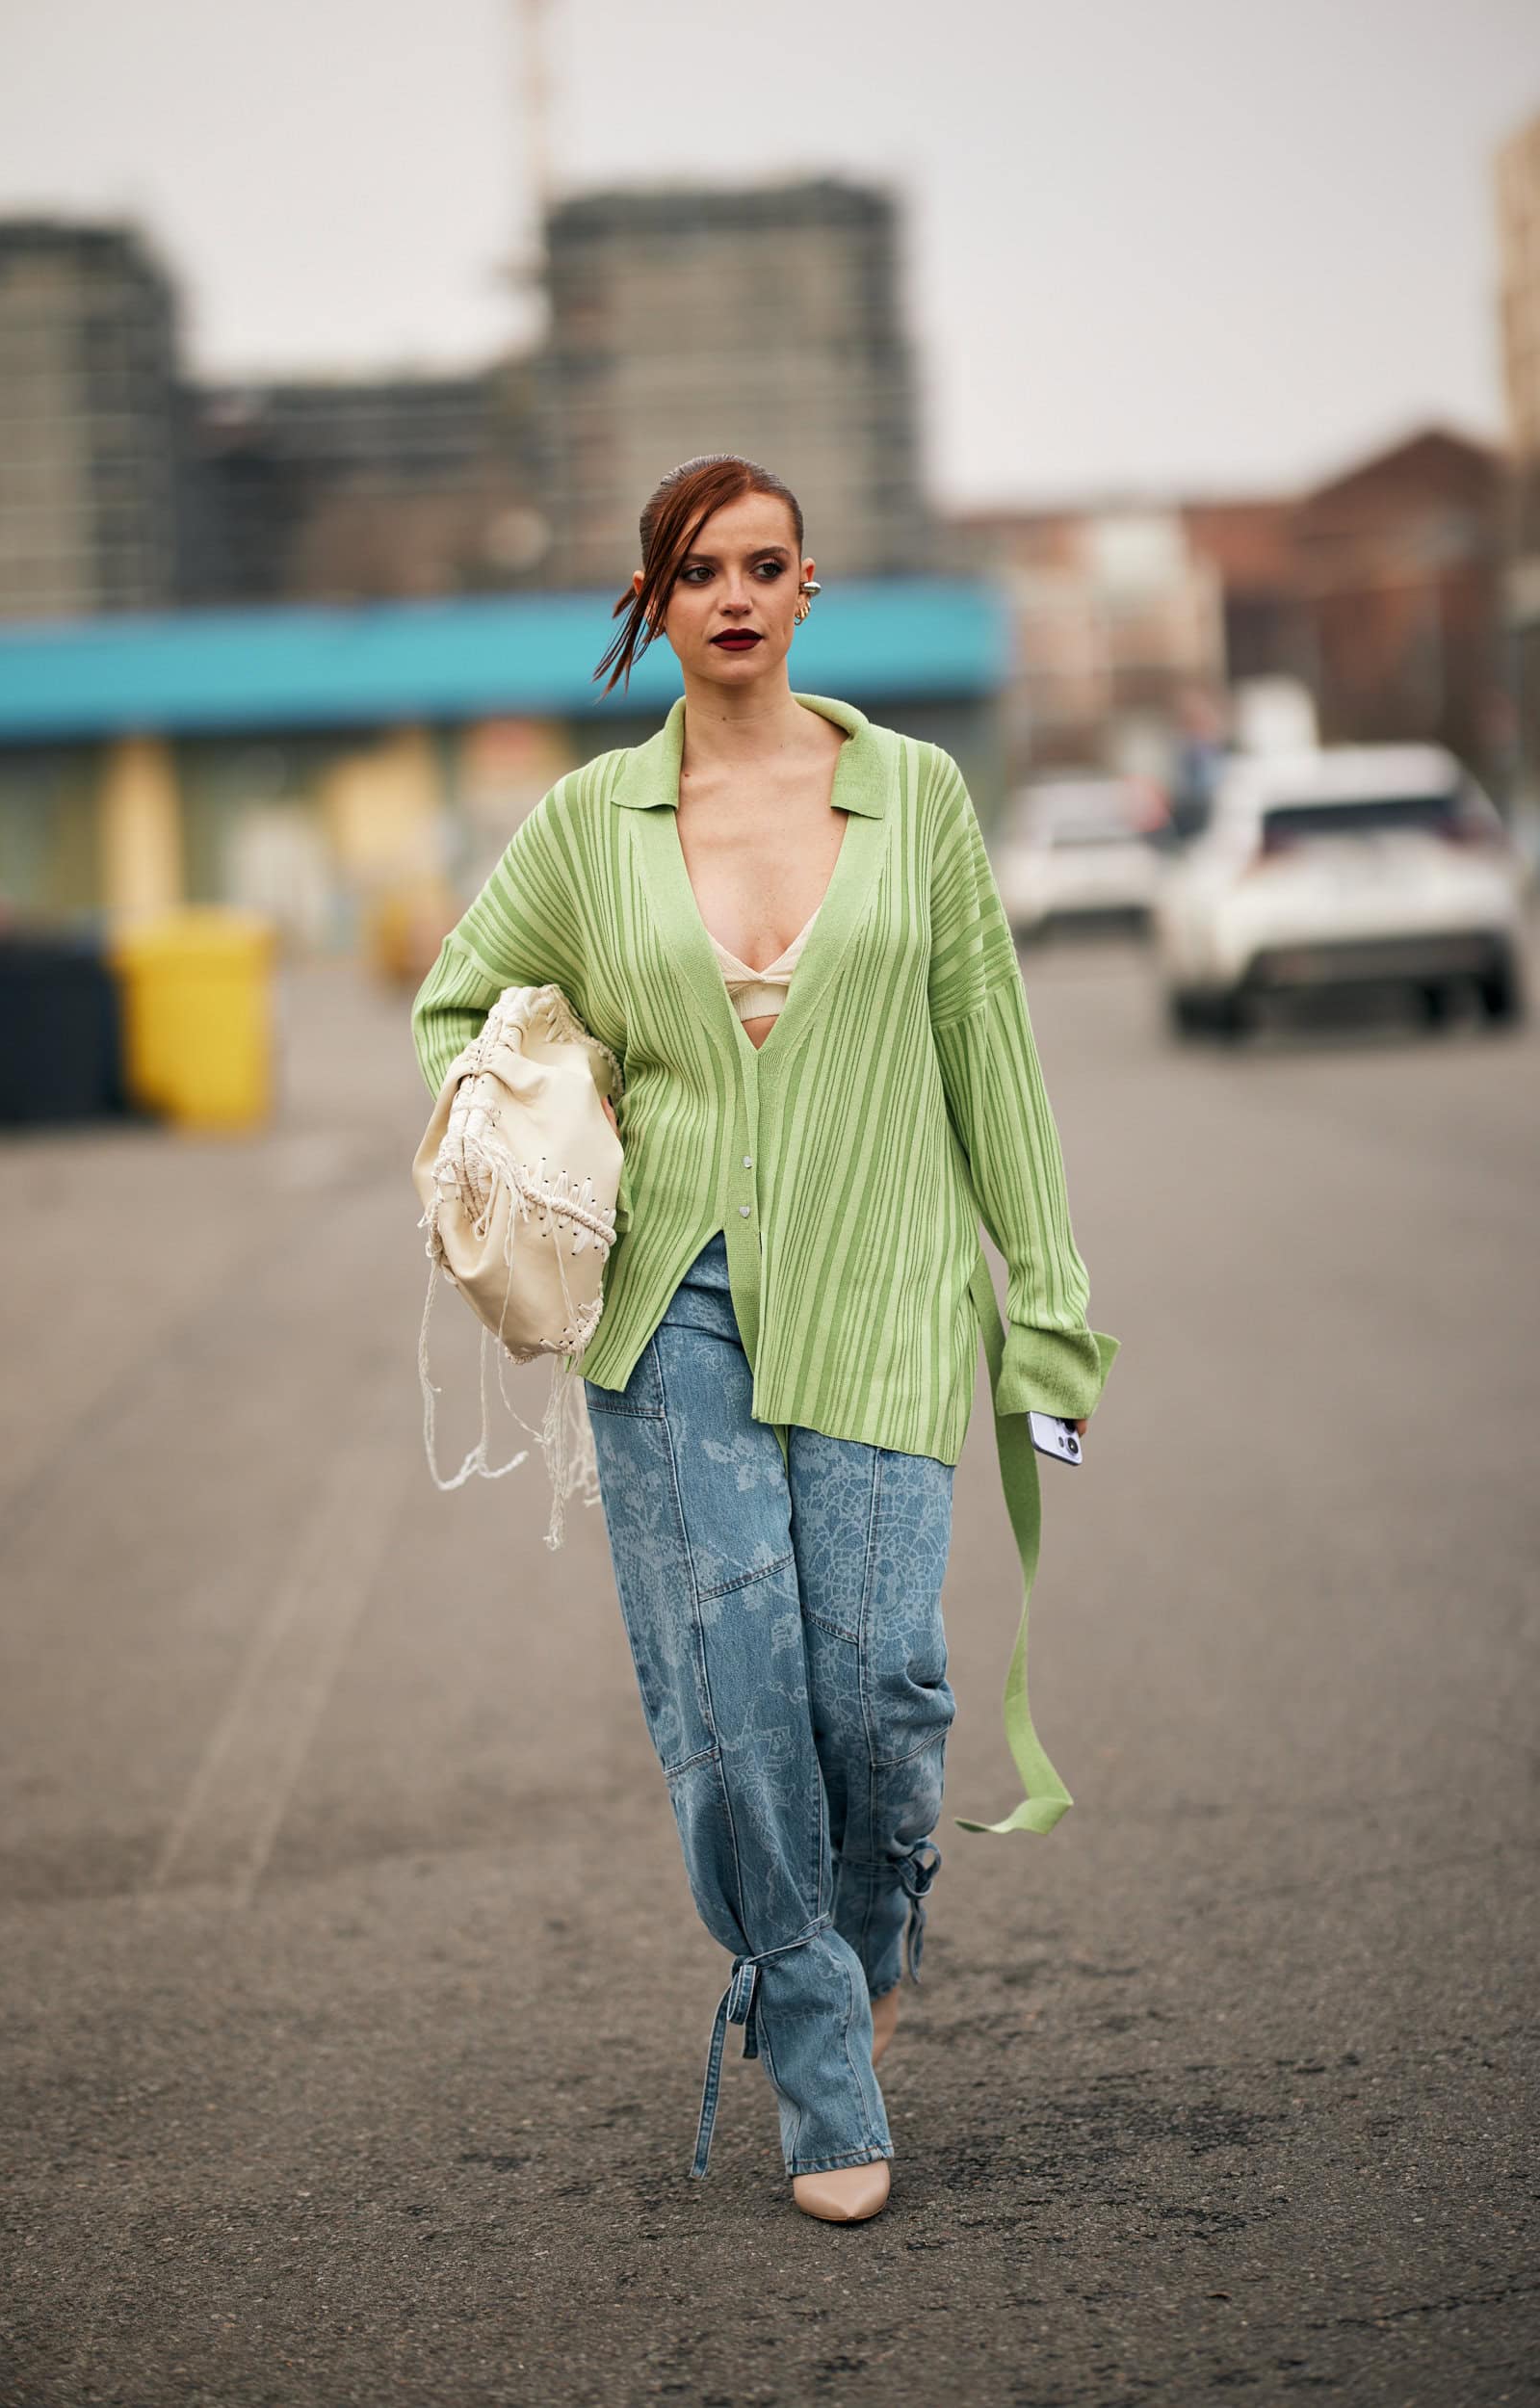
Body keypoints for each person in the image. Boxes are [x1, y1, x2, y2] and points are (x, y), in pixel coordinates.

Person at [409, 454, 1120, 2224]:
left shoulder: (919, 796)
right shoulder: (590, 823)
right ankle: (814, 2045)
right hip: (673, 1300)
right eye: (697, 572)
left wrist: (1048, 1305)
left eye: (763, 565)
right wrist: (538, 1115)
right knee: (735, 1687)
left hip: (884, 1285)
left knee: (878, 1687)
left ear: (810, 588)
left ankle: (865, 1923)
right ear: (655, 606)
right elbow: (455, 1006)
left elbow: (991, 1059)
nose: (733, 596)